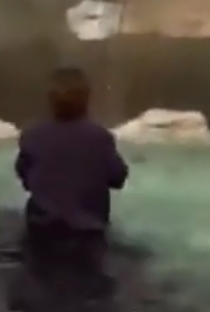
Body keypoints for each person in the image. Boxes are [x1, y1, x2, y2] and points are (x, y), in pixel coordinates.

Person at [13, 67, 129, 277]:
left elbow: (25, 177)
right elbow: (118, 178)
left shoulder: (32, 135)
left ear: (50, 100)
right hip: (88, 234)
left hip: (41, 230)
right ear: (86, 99)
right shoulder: (100, 138)